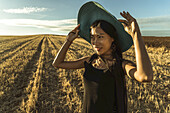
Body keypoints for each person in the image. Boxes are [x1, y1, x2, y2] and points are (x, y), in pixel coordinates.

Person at [52, 1, 153, 113]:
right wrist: (68, 41)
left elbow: (145, 76)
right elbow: (57, 63)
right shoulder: (89, 61)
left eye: (100, 37)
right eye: (92, 37)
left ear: (112, 38)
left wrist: (135, 34)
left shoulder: (122, 65)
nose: (94, 42)